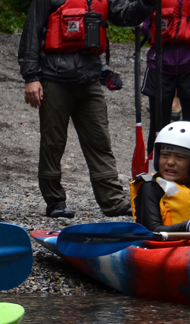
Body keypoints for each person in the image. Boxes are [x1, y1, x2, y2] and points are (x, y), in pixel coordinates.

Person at [18, 0, 154, 219]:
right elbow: (31, 34)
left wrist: (147, 4)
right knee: (53, 142)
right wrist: (31, 77)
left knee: (100, 140)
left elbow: (125, 15)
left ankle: (112, 201)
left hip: (90, 78)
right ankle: (55, 201)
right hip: (54, 78)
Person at [140, 7, 190, 156]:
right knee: (158, 125)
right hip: (160, 66)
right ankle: (154, 169)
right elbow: (144, 24)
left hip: (188, 67)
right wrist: (141, 27)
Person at [131, 121, 190, 232]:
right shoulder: (150, 187)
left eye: (180, 157)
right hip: (165, 246)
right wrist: (186, 227)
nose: (170, 162)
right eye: (165, 155)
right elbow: (152, 230)